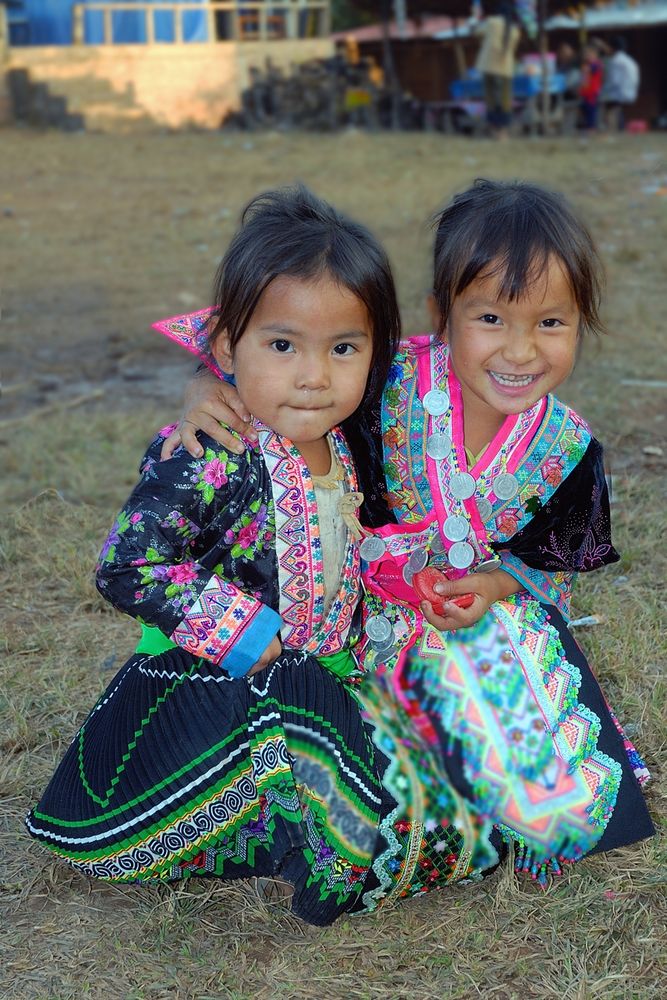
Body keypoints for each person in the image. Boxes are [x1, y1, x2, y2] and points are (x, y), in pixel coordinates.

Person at [162, 179, 654, 900]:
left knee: (528, 716)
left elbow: (542, 566)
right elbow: (276, 348)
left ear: (582, 323)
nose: (519, 350)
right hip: (342, 614)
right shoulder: (385, 377)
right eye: (489, 317)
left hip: (472, 628)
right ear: (439, 315)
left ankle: (506, 794)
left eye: (551, 323)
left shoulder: (568, 449)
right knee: (348, 761)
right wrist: (205, 392)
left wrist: (486, 589)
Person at [25, 185, 403, 927]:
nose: (313, 375)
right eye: (282, 344)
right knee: (311, 760)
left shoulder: (354, 445)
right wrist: (246, 635)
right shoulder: (212, 453)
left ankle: (314, 814)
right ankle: (299, 835)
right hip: (207, 692)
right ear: (228, 347)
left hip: (314, 682)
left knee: (401, 749)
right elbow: (127, 562)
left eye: (344, 348)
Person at [474, 1, 522, 140]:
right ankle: (503, 132)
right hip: (505, 69)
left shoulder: (491, 22)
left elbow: (477, 32)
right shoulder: (514, 29)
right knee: (504, 100)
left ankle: (493, 129)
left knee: (491, 99)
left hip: (488, 67)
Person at [602, 35, 640, 131]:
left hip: (619, 93)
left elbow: (614, 81)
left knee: (605, 105)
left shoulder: (615, 61)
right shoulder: (629, 60)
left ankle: (613, 128)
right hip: (630, 91)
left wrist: (602, 90)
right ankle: (619, 126)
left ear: (612, 48)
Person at [579, 42, 604, 132]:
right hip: (585, 91)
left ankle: (592, 126)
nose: (586, 56)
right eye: (585, 54)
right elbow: (583, 79)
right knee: (586, 109)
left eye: (589, 54)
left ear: (595, 55)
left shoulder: (596, 64)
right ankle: (588, 125)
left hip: (592, 91)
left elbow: (592, 70)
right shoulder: (586, 65)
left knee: (591, 109)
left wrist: (586, 68)